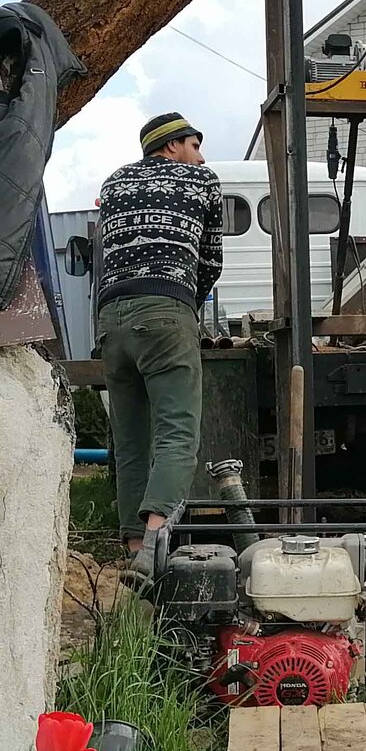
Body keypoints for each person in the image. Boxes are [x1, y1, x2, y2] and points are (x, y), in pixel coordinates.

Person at [96, 112, 223, 579]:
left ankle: (133, 548)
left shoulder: (113, 183)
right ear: (172, 145)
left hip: (111, 318)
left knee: (130, 440)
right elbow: (211, 259)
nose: (201, 154)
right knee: (176, 435)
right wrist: (184, 299)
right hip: (166, 310)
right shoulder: (200, 180)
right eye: (194, 144)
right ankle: (154, 547)